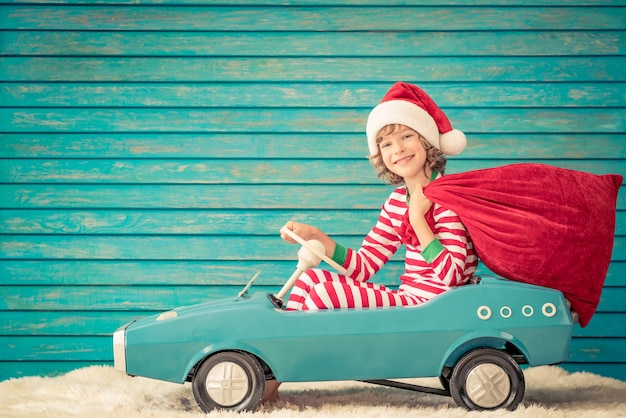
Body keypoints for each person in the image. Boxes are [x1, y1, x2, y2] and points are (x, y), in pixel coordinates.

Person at [262, 81, 478, 403]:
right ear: (380, 155)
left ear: (428, 142)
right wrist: (318, 237)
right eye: (387, 143)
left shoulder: (447, 200)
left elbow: (451, 276)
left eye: (407, 136)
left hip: (431, 308)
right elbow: (363, 267)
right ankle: (272, 374)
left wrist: (419, 220)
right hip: (408, 297)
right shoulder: (395, 202)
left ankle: (280, 373)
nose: (398, 149)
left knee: (322, 293)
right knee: (310, 278)